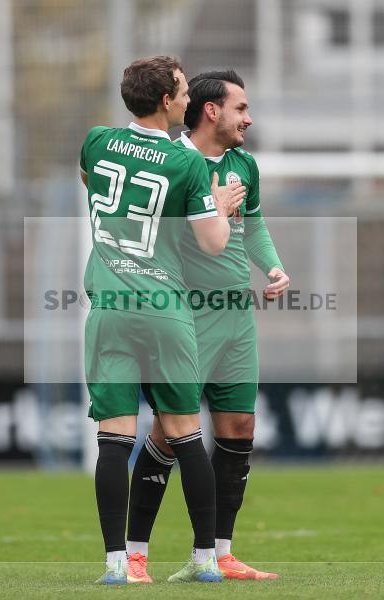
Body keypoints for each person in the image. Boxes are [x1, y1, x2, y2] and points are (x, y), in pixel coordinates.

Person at [79, 56, 246, 584]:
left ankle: (117, 566)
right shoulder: (187, 163)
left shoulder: (97, 140)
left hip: (108, 307)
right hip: (164, 310)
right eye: (181, 91)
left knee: (114, 437)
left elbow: (92, 184)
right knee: (183, 433)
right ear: (169, 102)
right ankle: (203, 560)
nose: (187, 99)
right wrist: (218, 206)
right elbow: (213, 243)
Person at [125, 70, 289, 582]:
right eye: (241, 107)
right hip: (186, 315)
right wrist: (211, 211)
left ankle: (219, 554)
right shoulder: (175, 164)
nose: (249, 117)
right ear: (212, 111)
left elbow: (254, 224)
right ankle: (134, 554)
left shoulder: (245, 165)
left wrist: (273, 266)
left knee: (239, 427)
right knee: (170, 434)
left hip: (236, 316)